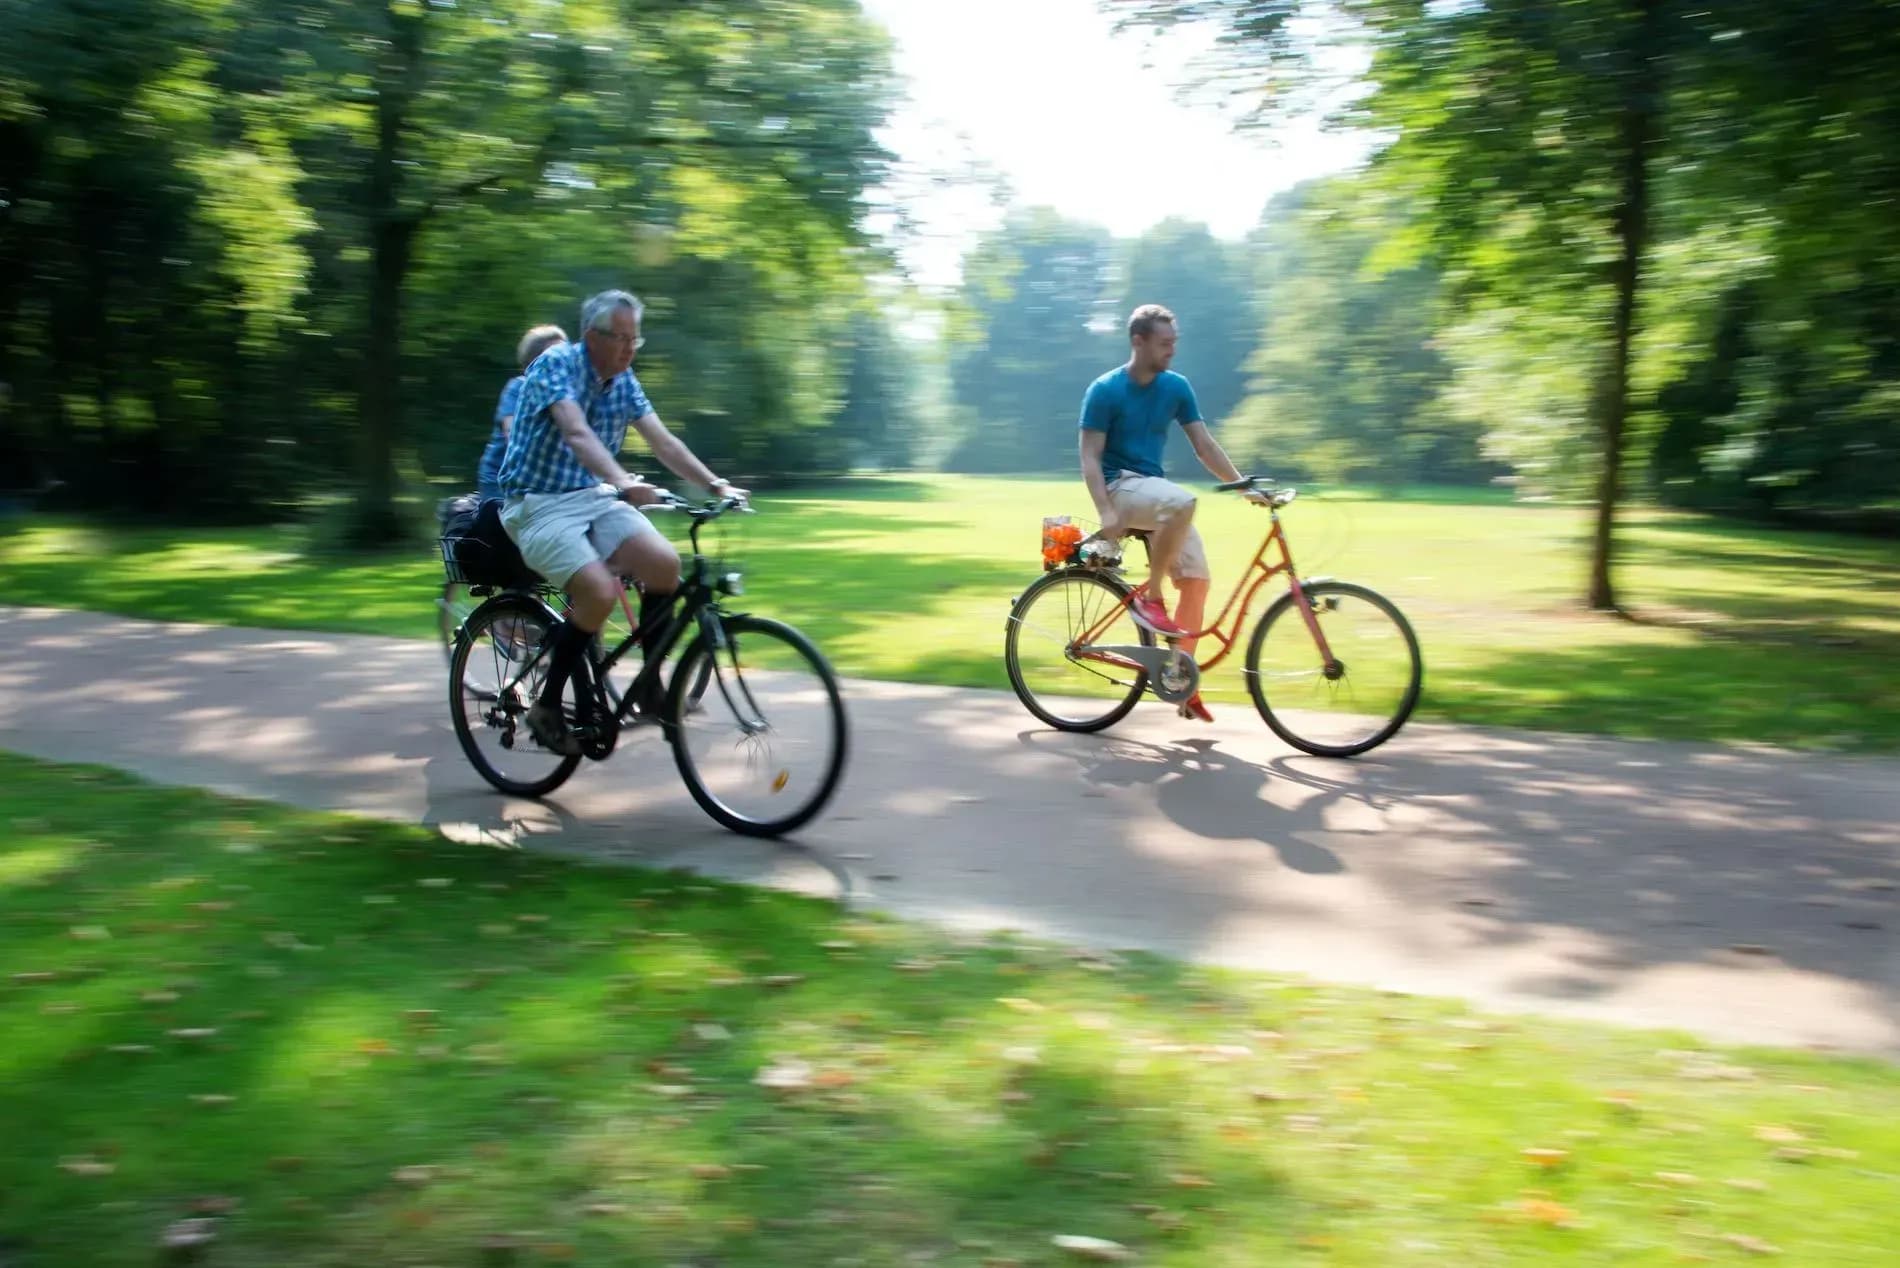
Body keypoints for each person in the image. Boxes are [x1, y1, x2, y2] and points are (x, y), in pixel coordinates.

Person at [496, 289, 747, 754]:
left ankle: (650, 687)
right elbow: (576, 432)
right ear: (592, 336)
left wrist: (717, 486)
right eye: (622, 338)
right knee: (598, 592)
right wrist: (622, 480)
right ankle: (546, 706)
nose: (631, 348)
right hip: (536, 504)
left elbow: (663, 442)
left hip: (593, 498)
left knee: (663, 565)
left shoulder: (624, 380)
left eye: (636, 339)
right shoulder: (556, 365)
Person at [1079, 303, 1261, 723]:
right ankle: (1153, 598)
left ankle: (1180, 681)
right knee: (1182, 502)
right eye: (1164, 343)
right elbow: (1089, 457)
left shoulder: (1176, 387)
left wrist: (1242, 486)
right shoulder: (1104, 390)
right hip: (1119, 487)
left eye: (1174, 342)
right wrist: (1105, 511)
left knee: (1197, 581)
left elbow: (1205, 446)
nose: (1172, 350)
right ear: (1138, 341)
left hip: (1152, 490)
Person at [477, 324, 568, 502]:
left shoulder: (566, 395)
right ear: (534, 360)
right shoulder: (518, 388)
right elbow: (512, 434)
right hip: (502, 482)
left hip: (543, 483)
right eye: (555, 354)